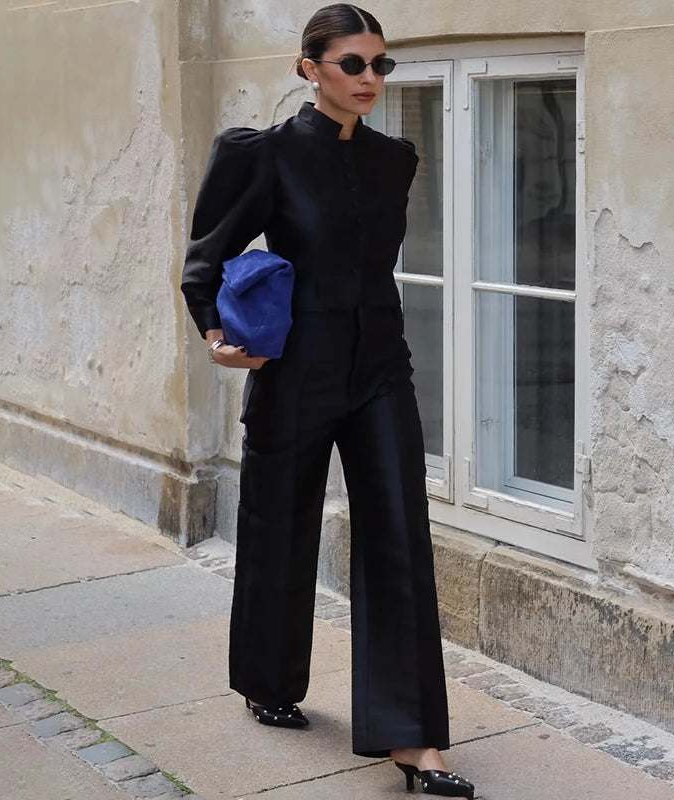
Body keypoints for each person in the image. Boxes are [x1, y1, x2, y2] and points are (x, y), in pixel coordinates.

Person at [181, 4, 474, 798]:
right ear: (309, 69)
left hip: (380, 366)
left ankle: (415, 740)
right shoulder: (264, 156)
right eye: (353, 64)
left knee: (400, 536)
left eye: (381, 64)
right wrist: (215, 333)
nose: (371, 78)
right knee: (277, 525)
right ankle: (267, 680)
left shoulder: (395, 160)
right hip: (295, 368)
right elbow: (206, 257)